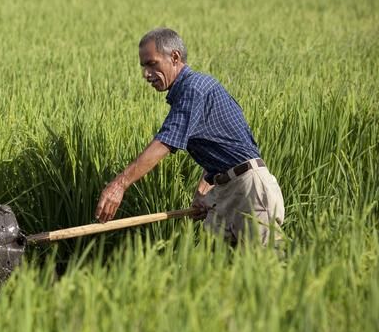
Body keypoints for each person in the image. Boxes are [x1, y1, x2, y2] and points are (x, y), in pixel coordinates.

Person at [94, 27, 284, 246]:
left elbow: (165, 141)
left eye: (151, 64)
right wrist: (203, 192)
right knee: (210, 271)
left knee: (265, 270)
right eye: (143, 66)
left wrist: (119, 185)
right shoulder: (191, 90)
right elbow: (219, 146)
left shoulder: (194, 89)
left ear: (174, 57)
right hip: (227, 188)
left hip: (250, 191)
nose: (146, 75)